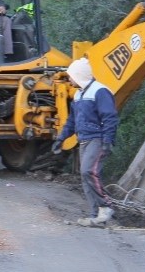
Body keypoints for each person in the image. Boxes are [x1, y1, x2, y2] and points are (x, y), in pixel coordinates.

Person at [51, 58, 120, 226]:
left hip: (97, 138)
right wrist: (61, 138)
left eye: (71, 76)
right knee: (85, 176)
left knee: (88, 171)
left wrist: (107, 141)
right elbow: (72, 121)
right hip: (83, 139)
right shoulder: (78, 95)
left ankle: (106, 206)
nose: (69, 79)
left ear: (79, 75)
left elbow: (110, 117)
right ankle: (96, 215)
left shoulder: (100, 91)